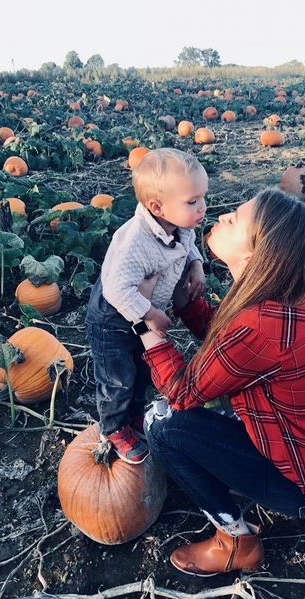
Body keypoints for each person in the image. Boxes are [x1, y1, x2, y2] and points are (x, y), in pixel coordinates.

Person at [137, 188, 305, 576]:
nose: (223, 216)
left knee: (160, 425)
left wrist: (143, 323)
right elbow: (235, 353)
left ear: (253, 257)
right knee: (199, 418)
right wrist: (189, 304)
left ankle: (235, 541)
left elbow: (179, 391)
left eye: (235, 220)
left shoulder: (261, 325)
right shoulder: (292, 292)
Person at [86, 148, 207, 464]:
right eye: (192, 202)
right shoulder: (134, 242)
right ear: (157, 207)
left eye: (202, 198)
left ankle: (136, 414)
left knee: (142, 369)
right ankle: (111, 427)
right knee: (117, 377)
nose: (202, 208)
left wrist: (196, 265)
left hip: (140, 305)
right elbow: (117, 289)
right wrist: (150, 314)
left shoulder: (179, 223)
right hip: (112, 317)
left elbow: (190, 245)